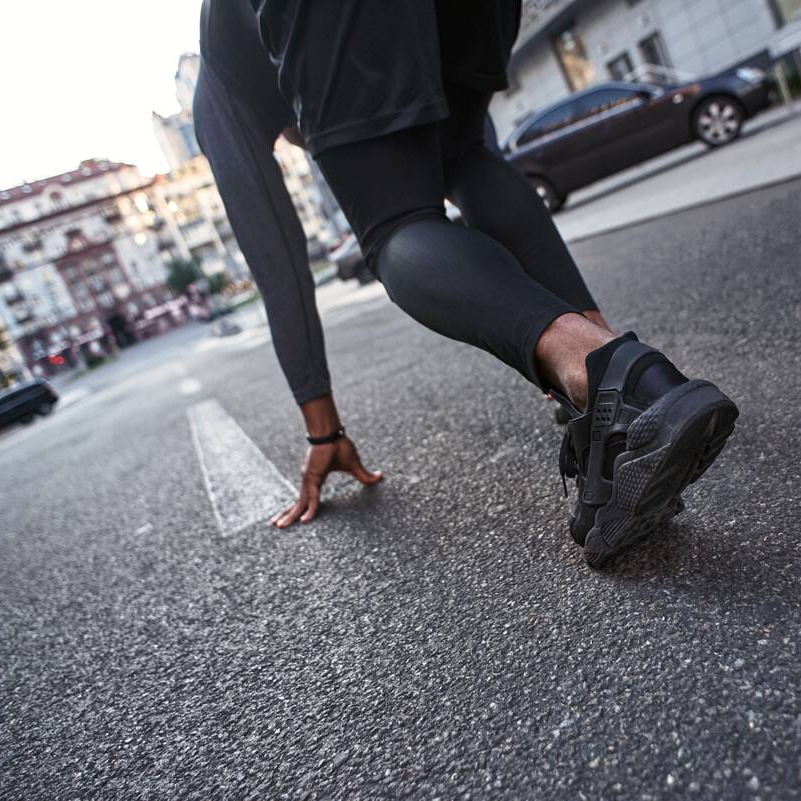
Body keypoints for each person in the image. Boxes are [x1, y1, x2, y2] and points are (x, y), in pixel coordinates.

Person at [194, 0, 738, 566]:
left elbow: (277, 266)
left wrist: (322, 433)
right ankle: (620, 393)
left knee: (397, 225)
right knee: (465, 155)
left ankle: (616, 387)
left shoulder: (219, 87)